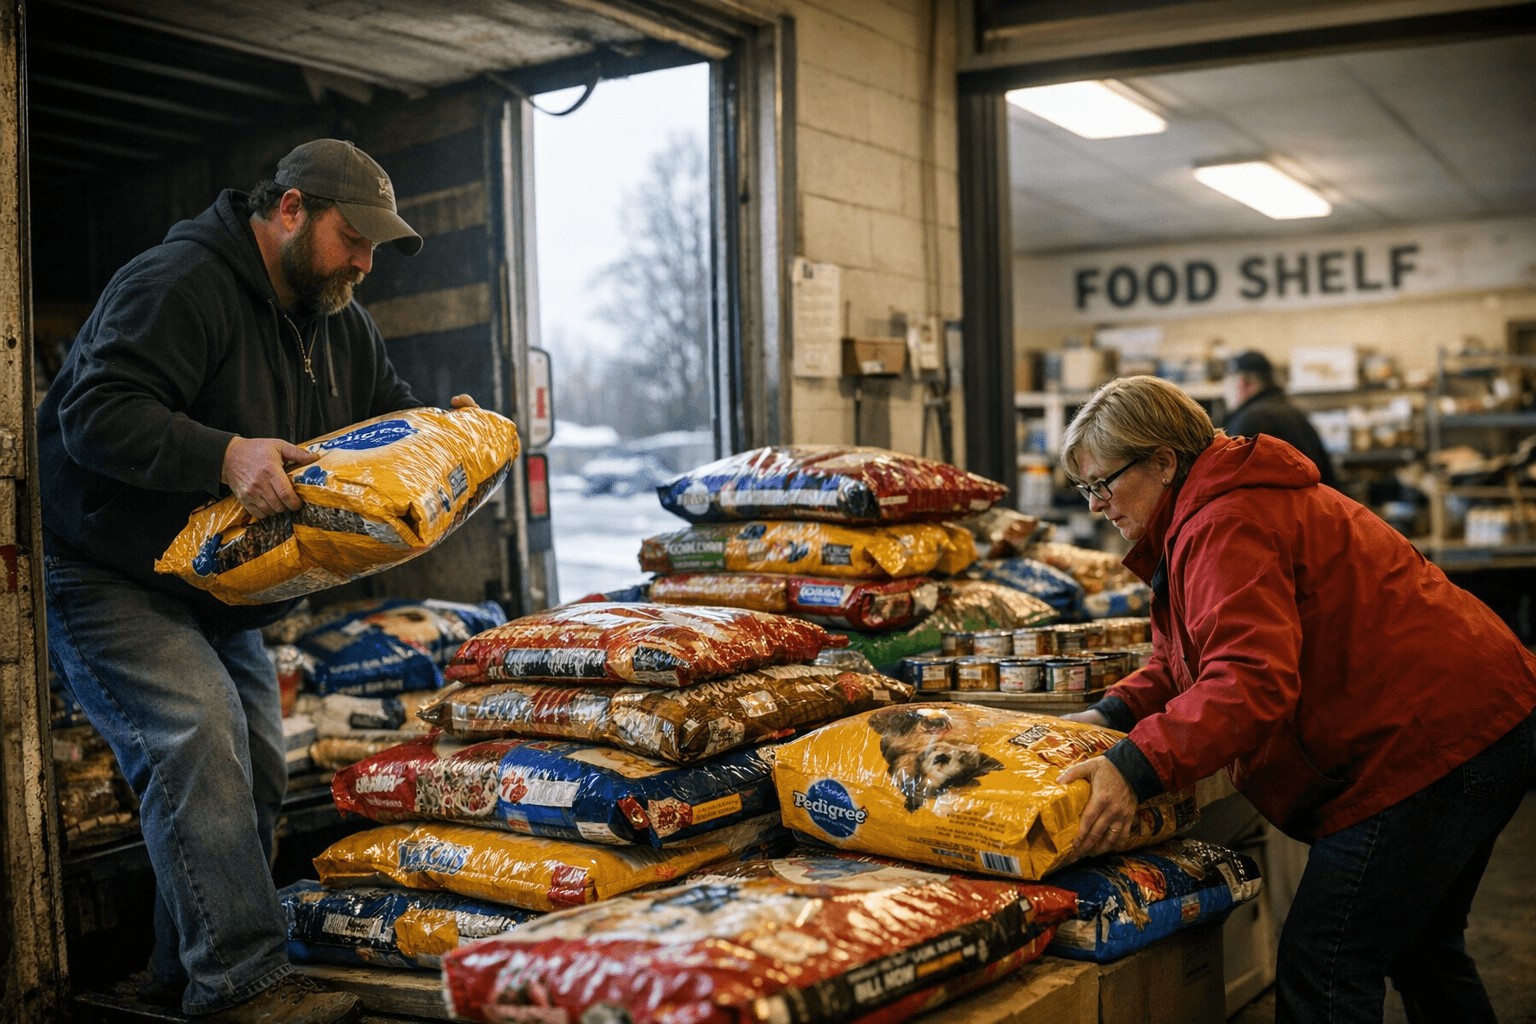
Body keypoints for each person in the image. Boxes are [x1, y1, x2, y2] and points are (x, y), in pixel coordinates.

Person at [38, 139, 475, 1023]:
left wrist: (442, 427)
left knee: (260, 770)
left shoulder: (336, 315)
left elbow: (386, 408)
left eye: (375, 248)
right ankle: (240, 985)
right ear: (290, 209)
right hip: (109, 570)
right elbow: (94, 415)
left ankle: (176, 971)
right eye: (353, 237)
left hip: (222, 587)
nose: (364, 262)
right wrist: (223, 454)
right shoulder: (179, 283)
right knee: (197, 735)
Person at [1053, 375, 1536, 1024]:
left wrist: (1134, 769)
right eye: (1085, 490)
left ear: (1162, 461)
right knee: (1422, 949)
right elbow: (1183, 662)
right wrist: (1105, 718)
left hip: (1432, 742)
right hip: (1478, 715)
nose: (1095, 507)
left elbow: (1249, 680)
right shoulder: (1206, 511)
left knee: (1325, 964)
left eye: (1101, 484)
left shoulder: (1225, 519)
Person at [1221, 349, 1339, 488]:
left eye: (1228, 382)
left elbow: (1237, 487)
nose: (1225, 391)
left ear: (1244, 382)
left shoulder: (1249, 421)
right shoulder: (1290, 411)